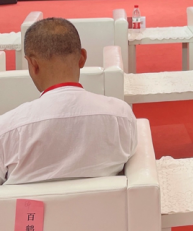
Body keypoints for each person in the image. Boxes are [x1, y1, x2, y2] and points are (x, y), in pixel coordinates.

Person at [0, 17, 137, 186]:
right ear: (82, 58)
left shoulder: (7, 130)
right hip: (105, 204)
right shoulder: (121, 116)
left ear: (33, 64)